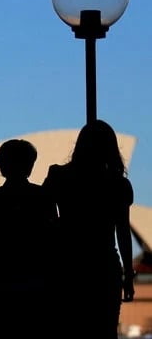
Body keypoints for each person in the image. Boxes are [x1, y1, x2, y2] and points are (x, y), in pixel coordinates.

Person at [42, 119, 135, 339]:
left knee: (69, 327)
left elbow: (41, 212)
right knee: (104, 329)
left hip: (67, 264)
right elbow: (123, 232)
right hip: (104, 266)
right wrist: (128, 275)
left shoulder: (59, 176)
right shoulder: (118, 185)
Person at [0, 139, 59, 339]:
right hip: (37, 285)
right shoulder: (44, 197)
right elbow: (54, 246)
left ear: (1, 164)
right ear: (31, 165)